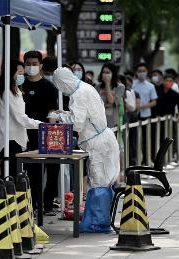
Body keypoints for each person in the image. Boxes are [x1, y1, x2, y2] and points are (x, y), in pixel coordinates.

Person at [51, 68, 119, 233]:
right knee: (102, 182)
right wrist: (65, 113)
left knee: (99, 183)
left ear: (63, 83)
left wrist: (59, 116)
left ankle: (97, 223)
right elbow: (84, 116)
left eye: (60, 86)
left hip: (98, 145)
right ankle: (98, 220)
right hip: (102, 140)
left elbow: (77, 124)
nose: (61, 90)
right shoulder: (86, 88)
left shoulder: (78, 95)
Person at [22, 50, 59, 214]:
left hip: (43, 132)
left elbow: (52, 111)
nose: (31, 67)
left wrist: (51, 132)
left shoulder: (49, 87)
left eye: (34, 64)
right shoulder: (19, 86)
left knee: (49, 169)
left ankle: (47, 203)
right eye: (28, 64)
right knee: (32, 171)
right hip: (24, 133)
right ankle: (32, 202)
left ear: (41, 66)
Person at [0, 60, 42, 178]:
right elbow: (20, 117)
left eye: (23, 73)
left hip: (18, 139)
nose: (21, 76)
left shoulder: (17, 91)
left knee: (19, 178)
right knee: (12, 177)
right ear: (11, 74)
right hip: (11, 140)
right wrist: (40, 125)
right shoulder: (8, 92)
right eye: (19, 73)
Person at [132, 63, 157, 165]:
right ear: (137, 73)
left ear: (146, 72)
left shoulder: (151, 86)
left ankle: (147, 159)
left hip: (146, 114)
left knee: (147, 138)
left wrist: (143, 106)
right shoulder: (133, 85)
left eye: (143, 71)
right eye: (139, 71)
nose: (142, 73)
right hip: (135, 114)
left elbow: (154, 101)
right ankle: (136, 159)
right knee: (136, 139)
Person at [95, 62, 126, 128]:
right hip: (99, 120)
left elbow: (111, 101)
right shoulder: (98, 86)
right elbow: (95, 104)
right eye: (103, 72)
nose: (105, 75)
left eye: (108, 72)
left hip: (113, 121)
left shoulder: (120, 87)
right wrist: (106, 106)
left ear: (113, 74)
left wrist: (107, 84)